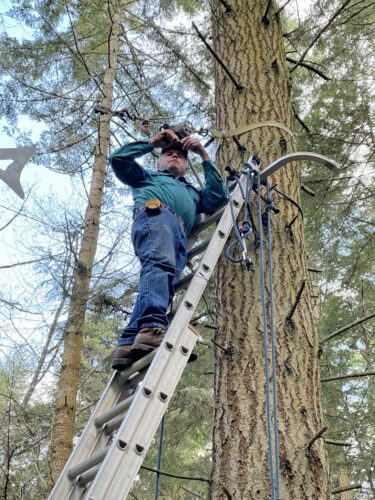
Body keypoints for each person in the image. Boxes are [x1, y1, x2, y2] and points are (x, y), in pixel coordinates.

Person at [109, 129, 227, 370]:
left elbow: (218, 195)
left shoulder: (193, 193)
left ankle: (128, 342)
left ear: (185, 167)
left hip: (180, 234)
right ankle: (152, 327)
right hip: (156, 216)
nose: (175, 157)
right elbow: (118, 159)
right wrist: (152, 142)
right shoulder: (146, 177)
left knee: (162, 279)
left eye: (181, 156)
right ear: (159, 161)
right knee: (159, 266)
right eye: (169, 154)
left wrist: (203, 154)